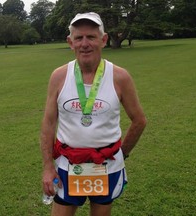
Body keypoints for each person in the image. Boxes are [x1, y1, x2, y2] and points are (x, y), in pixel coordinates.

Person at [40, 12, 147, 216]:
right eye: (79, 38)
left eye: (91, 37)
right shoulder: (59, 76)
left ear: (103, 40)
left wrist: (121, 154)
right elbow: (48, 123)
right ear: (70, 42)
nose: (85, 43)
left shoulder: (120, 77)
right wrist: (47, 167)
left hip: (107, 166)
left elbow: (139, 121)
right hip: (67, 165)